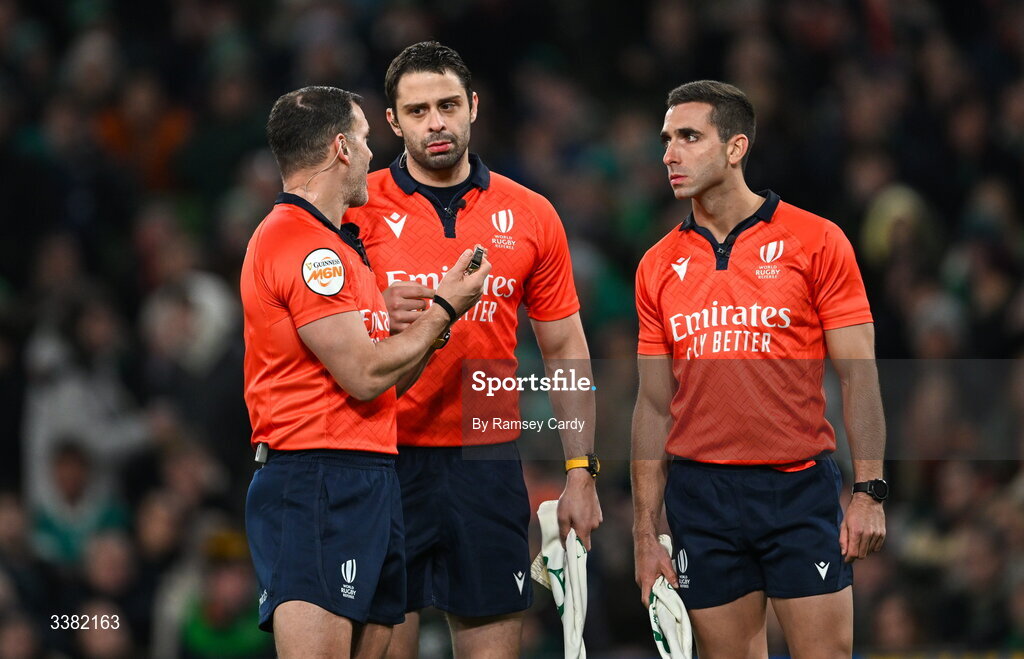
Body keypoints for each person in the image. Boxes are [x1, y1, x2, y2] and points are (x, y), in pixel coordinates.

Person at [345, 42, 602, 658]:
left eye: (448, 105)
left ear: (473, 107)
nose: (435, 121)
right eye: (418, 110)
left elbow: (565, 347)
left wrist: (579, 472)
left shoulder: (532, 213)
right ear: (393, 122)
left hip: (485, 460)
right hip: (384, 456)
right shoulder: (356, 211)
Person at [631, 80, 887, 658]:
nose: (669, 154)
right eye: (666, 139)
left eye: (689, 137)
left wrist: (870, 490)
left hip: (797, 488)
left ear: (735, 147)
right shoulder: (656, 266)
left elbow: (859, 376)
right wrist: (646, 532)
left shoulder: (817, 240)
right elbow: (651, 405)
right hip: (701, 496)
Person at [240, 85, 490, 659]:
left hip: (368, 474)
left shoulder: (341, 250)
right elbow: (363, 375)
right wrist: (448, 307)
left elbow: (387, 384)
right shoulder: (304, 246)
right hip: (317, 477)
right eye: (365, 139)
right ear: (340, 148)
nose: (374, 155)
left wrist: (430, 323)